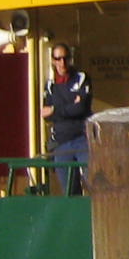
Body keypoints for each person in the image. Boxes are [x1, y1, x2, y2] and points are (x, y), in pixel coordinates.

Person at [45, 44, 94, 194]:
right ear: (53, 61)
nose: (62, 63)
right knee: (70, 192)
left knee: (93, 185)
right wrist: (70, 105)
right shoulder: (50, 85)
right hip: (61, 143)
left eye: (65, 58)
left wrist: (56, 109)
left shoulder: (82, 78)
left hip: (82, 139)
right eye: (58, 59)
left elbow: (81, 108)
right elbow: (46, 115)